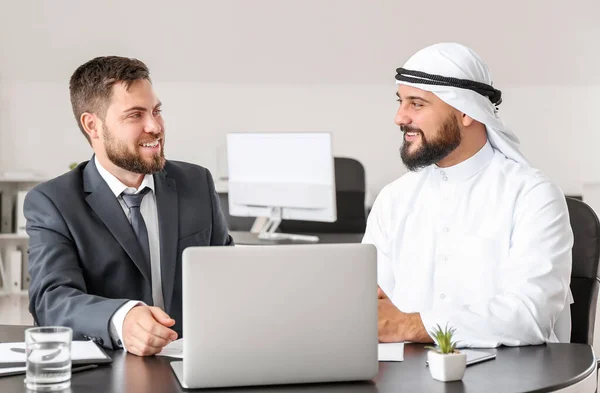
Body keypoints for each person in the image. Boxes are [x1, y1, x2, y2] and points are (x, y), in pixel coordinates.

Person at [363, 43, 573, 347]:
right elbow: (372, 306)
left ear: (466, 111)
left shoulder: (533, 195)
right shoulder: (393, 199)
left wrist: (411, 325)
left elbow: (530, 315)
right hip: (404, 375)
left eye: (416, 104)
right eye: (400, 101)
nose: (400, 117)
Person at [24, 56, 233, 356]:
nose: (155, 126)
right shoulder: (53, 202)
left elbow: (227, 277)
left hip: (199, 361)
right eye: (135, 115)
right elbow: (51, 300)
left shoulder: (197, 182)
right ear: (92, 125)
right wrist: (121, 319)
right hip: (111, 370)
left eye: (156, 111)